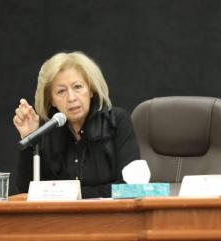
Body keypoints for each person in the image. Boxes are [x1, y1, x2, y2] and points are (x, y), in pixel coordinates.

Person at [13, 51, 140, 198]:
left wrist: (70, 194)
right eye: (61, 91)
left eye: (78, 87)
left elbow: (129, 188)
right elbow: (27, 192)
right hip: (60, 213)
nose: (71, 97)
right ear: (52, 100)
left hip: (108, 212)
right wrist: (30, 138)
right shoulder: (48, 130)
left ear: (91, 90)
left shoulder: (116, 122)